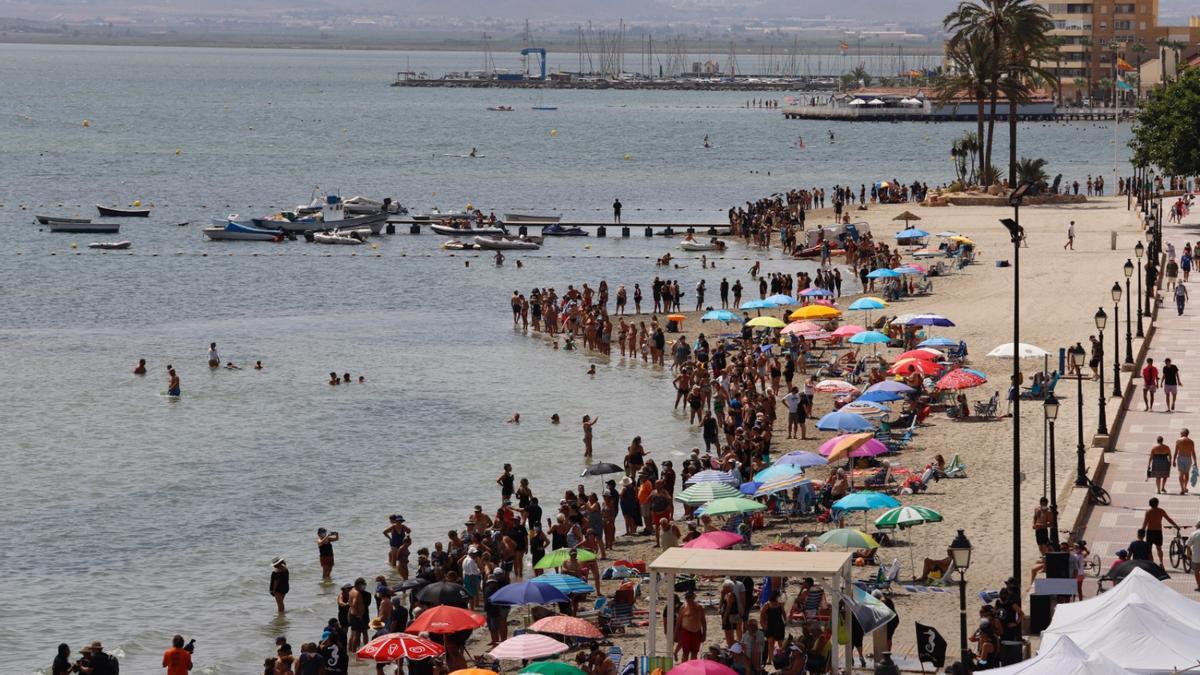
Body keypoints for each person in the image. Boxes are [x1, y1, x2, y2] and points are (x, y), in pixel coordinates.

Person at [1142, 497, 1180, 567]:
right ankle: (1161, 562)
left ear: (1150, 504)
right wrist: (1176, 525)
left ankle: (1151, 562)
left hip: (1150, 532)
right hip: (1158, 532)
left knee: (1149, 549)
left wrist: (1142, 532)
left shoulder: (1148, 512)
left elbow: (1145, 523)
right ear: (1157, 503)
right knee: (1159, 548)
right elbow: (1169, 519)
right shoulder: (1161, 511)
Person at [676, 591, 706, 661]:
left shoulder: (699, 608)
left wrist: (704, 634)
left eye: (690, 597)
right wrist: (676, 634)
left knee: (694, 653)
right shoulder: (683, 608)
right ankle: (684, 669)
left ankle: (693, 670)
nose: (688, 599)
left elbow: (703, 622)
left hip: (697, 632)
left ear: (693, 598)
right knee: (685, 653)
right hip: (686, 632)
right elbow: (678, 623)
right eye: (687, 597)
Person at [1175, 429, 1196, 495]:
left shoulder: (1178, 441)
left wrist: (1173, 460)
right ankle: (1185, 487)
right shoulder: (1191, 442)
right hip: (1188, 458)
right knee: (1186, 473)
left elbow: (1176, 451)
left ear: (1184, 433)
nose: (1180, 433)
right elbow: (1193, 452)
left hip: (1180, 458)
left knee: (1181, 474)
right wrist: (1195, 461)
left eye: (1181, 433)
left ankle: (1182, 489)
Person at [1186, 521, 1200, 591]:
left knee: (1197, 571)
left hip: (1197, 557)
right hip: (1197, 556)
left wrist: (1188, 554)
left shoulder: (1194, 534)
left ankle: (1199, 586)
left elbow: (1188, 545)